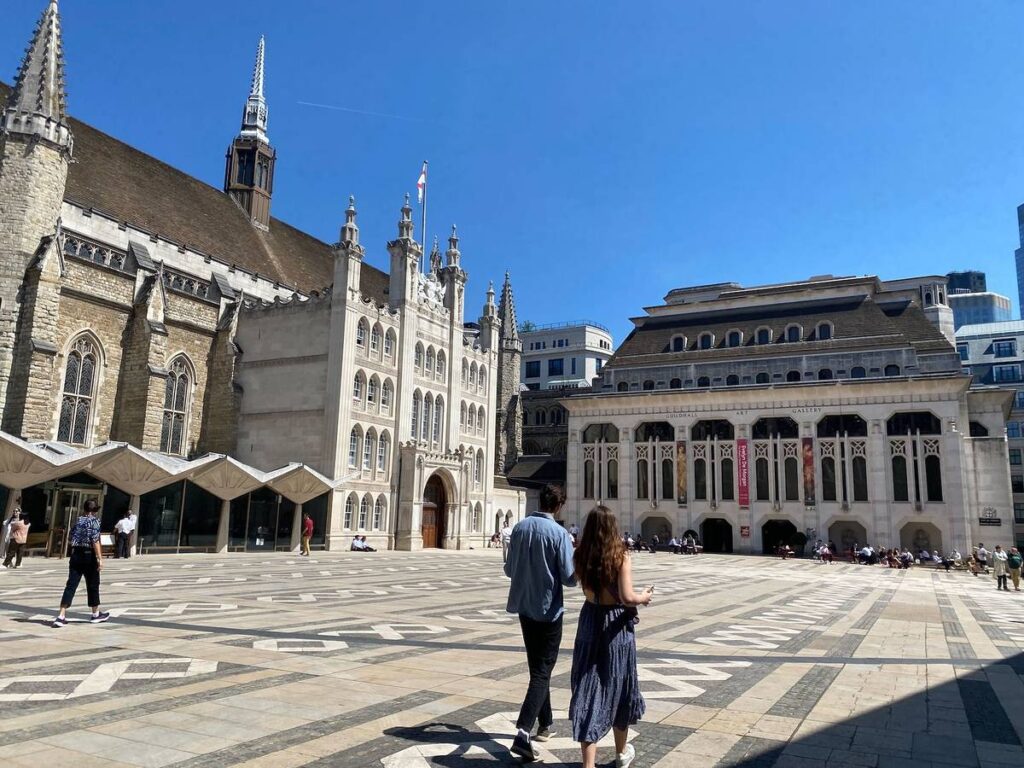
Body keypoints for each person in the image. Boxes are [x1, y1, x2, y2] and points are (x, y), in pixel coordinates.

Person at [569, 506, 652, 768]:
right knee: (621, 685)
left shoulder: (580, 555)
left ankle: (588, 764)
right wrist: (644, 597)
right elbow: (627, 598)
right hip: (615, 626)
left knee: (589, 686)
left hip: (589, 620)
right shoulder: (620, 556)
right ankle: (620, 753)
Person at [504, 483, 575, 762]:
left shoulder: (519, 528)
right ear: (558, 506)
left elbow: (509, 569)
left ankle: (545, 725)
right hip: (548, 611)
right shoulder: (559, 534)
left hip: (524, 607)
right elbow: (569, 578)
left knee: (537, 668)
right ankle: (523, 731)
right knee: (543, 671)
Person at [52, 500, 109, 627]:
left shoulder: (78, 520)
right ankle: (95, 614)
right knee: (93, 584)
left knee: (71, 584)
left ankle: (61, 615)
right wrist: (100, 558)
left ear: (84, 509)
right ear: (94, 511)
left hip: (76, 554)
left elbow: (70, 537)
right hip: (89, 555)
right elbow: (95, 540)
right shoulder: (95, 521)